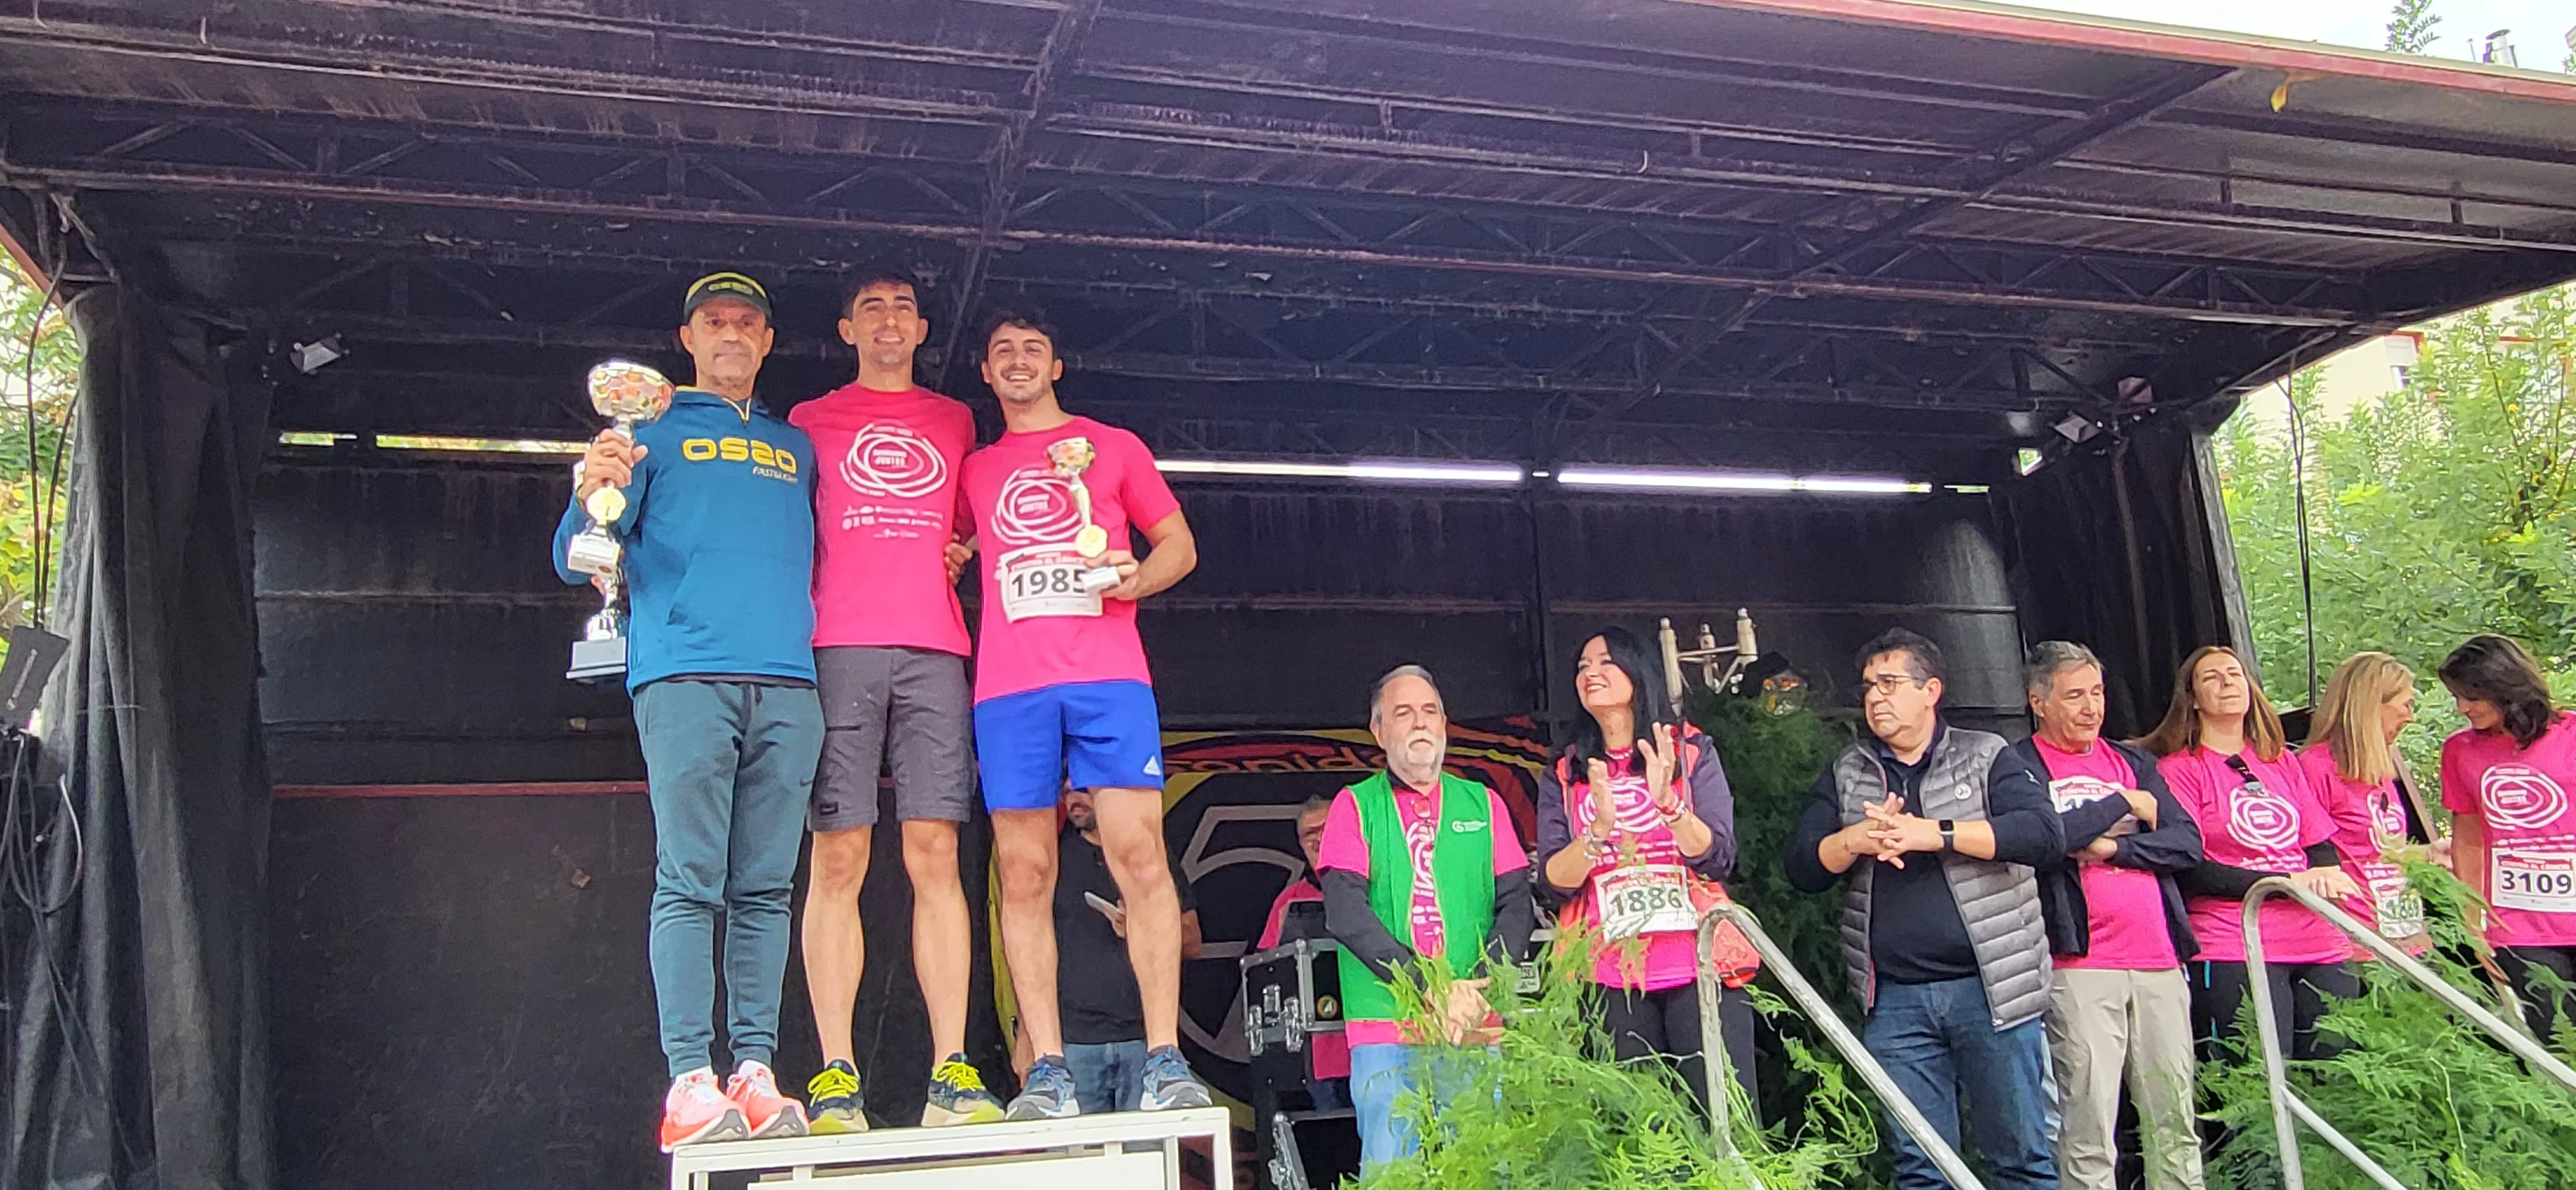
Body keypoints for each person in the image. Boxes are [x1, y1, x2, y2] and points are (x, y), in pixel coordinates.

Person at [553, 272, 819, 1151]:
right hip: (684, 674)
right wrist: (593, 481)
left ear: (768, 341)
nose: (733, 333)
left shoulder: (797, 446)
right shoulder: (646, 432)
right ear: (688, 337)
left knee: (768, 887)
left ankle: (752, 1071)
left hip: (789, 680)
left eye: (749, 322)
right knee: (689, 879)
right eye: (716, 322)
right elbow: (575, 553)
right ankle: (689, 1081)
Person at [956, 310, 1213, 1118]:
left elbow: (1178, 543)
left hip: (1107, 678)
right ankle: (1049, 1070)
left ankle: (1165, 1060)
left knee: (1140, 855)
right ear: (987, 375)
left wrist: (1134, 580)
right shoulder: (974, 467)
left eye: (1033, 348)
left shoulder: (1115, 446)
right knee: (1024, 872)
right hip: (1010, 686)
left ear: (1056, 364)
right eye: (1003, 353)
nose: (1019, 361)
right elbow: (950, 546)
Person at [789, 267, 1001, 1131]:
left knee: (935, 856)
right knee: (838, 858)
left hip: (936, 648)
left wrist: (964, 549)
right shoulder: (807, 421)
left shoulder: (955, 420)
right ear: (847, 329)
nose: (889, 320)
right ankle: (836, 1073)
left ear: (921, 330)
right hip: (836, 644)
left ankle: (953, 1071)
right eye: (871, 307)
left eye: (904, 308)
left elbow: (975, 518)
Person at [1782, 629, 2062, 1190]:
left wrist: (1934, 834)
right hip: (1895, 1000)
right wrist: (1855, 840)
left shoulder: (1986, 755)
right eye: (1868, 688)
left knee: (2021, 1158)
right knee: (1921, 1169)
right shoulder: (1848, 771)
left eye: (1890, 684)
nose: (1876, 699)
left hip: (1992, 992)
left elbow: (2042, 836)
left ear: (1931, 690)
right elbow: (1802, 867)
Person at [1320, 665, 1537, 1170]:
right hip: (1387, 1025)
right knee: (1394, 1173)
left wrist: (1477, 986)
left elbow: (1517, 903)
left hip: (1473, 1020)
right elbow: (1346, 912)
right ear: (1378, 732)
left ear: (1444, 725)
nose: (1420, 723)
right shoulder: (1354, 805)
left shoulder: (1483, 802)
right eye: (1403, 713)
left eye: (1429, 712)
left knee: (1485, 1172)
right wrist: (1427, 985)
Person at [1533, 627, 1755, 1113]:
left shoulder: (1691, 750)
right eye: (1583, 667)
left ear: (1638, 670)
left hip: (1699, 965)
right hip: (1609, 974)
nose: (1591, 674)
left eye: (1606, 662)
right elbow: (1552, 883)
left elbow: (1719, 858)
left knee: (1726, 1121)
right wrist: (1598, 832)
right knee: (1638, 1138)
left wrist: (1670, 805)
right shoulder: (1567, 769)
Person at [2009, 642, 2205, 1190]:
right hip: (2082, 959)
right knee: (2090, 1121)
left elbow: (2187, 844)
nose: (2091, 707)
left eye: (2096, 693)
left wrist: (2116, 850)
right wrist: (2125, 804)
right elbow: (2050, 839)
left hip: (2160, 960)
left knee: (2175, 1116)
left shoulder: (2135, 760)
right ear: (2038, 702)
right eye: (2074, 696)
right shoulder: (2019, 765)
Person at [2139, 646, 2361, 1064]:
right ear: (2193, 698)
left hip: (2319, 940)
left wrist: (2329, 875)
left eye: (2235, 674)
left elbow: (2318, 843)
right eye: (2212, 678)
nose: (2227, 683)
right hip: (2234, 942)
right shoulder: (2179, 770)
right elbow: (2189, 866)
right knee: (2255, 1082)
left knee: (2338, 1079)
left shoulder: (2280, 763)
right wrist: (2284, 884)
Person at [2436, 634, 2576, 1043]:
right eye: (2456, 697)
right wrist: (2470, 924)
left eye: (2471, 696)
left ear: (2504, 686)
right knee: (2560, 1044)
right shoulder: (2460, 751)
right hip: (2520, 928)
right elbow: (2469, 838)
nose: (2463, 709)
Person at [1052, 787, 1205, 1112]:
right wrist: (1028, 1043)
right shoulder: (1054, 860)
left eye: (1083, 791)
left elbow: (1193, 942)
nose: (1074, 801)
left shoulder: (1148, 856)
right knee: (1081, 1159)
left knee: (1147, 1156)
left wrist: (1140, 929)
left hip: (1144, 1040)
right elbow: (1034, 955)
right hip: (1074, 1042)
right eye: (1066, 793)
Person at [2298, 653, 2434, 952]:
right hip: (2355, 937)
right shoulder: (2316, 766)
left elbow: (2377, 851)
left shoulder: (2381, 769)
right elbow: (2312, 854)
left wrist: (2428, 854)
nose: (2410, 718)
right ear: (2373, 705)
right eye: (2406, 706)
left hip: (2404, 931)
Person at [1255, 795, 1352, 1111]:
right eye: (1308, 834)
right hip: (1320, 1058)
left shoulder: (1382, 889)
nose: (1318, 838)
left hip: (1379, 1048)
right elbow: (1262, 973)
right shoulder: (1290, 901)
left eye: (1326, 828)